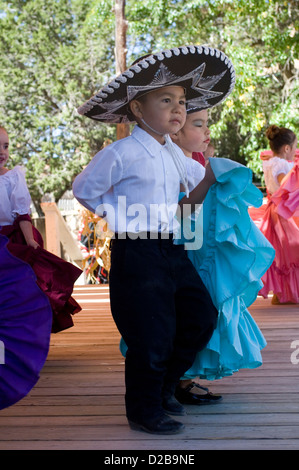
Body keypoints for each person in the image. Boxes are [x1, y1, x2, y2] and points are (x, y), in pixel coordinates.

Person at [73, 45, 236, 435]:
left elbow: (191, 198)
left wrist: (212, 177)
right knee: (150, 332)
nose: (179, 109)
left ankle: (164, 389)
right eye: (167, 100)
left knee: (199, 317)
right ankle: (143, 410)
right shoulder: (122, 152)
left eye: (181, 101)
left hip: (171, 248)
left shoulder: (174, 154)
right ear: (137, 110)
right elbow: (83, 188)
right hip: (137, 251)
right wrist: (117, 214)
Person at [169, 108, 274, 403]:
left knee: (203, 308)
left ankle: (184, 377)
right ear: (175, 131)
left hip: (195, 249)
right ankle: (176, 379)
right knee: (186, 312)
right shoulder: (174, 168)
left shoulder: (192, 165)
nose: (208, 132)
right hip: (180, 254)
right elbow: (179, 215)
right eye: (199, 125)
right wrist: (207, 184)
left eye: (206, 124)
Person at [0, 126, 82, 334]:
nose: (2, 152)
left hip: (11, 240)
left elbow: (22, 214)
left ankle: (19, 338)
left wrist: (31, 242)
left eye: (6, 146)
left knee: (20, 289)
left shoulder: (12, 178)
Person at [259, 125, 299, 304]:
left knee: (280, 253)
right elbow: (285, 184)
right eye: (295, 146)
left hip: (273, 211)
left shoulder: (269, 163)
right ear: (287, 148)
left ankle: (280, 293)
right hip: (281, 212)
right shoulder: (282, 165)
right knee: (292, 249)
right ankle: (289, 293)